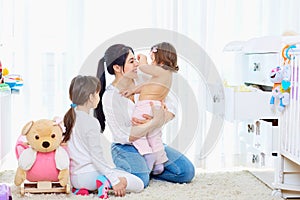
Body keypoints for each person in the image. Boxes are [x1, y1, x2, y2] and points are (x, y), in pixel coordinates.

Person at [95, 44, 195, 188]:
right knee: (141, 180)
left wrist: (162, 117)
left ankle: (147, 168)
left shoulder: (143, 79)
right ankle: (115, 175)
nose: (137, 64)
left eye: (136, 59)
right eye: (131, 61)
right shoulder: (110, 97)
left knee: (186, 172)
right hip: (126, 146)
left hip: (151, 141)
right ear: (117, 68)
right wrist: (154, 122)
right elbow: (124, 135)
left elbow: (172, 105)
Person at [62, 75, 144, 198]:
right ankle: (104, 182)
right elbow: (97, 157)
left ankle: (82, 190)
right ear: (91, 97)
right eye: (97, 94)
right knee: (139, 183)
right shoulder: (91, 122)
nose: (98, 98)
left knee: (116, 171)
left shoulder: (68, 119)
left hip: (75, 179)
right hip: (90, 177)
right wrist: (115, 181)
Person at [120, 42, 179, 175]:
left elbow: (144, 68)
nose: (151, 62)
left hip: (146, 106)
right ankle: (159, 163)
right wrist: (133, 91)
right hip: (156, 106)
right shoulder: (164, 75)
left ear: (161, 58)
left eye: (152, 58)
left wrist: (143, 59)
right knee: (154, 136)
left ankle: (148, 155)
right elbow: (147, 86)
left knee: (139, 133)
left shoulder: (161, 70)